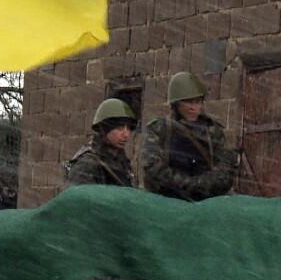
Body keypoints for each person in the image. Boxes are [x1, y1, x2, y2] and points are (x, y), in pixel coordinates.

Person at [143, 72, 238, 201]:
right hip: (168, 200)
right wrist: (187, 184)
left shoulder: (213, 131)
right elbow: (153, 167)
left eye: (197, 102)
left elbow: (225, 170)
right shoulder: (160, 129)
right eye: (188, 102)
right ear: (176, 104)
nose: (194, 107)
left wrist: (202, 184)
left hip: (206, 201)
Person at [65, 98, 137, 187]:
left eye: (129, 128)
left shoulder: (121, 161)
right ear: (105, 129)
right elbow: (80, 198)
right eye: (120, 128)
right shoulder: (87, 163)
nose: (126, 134)